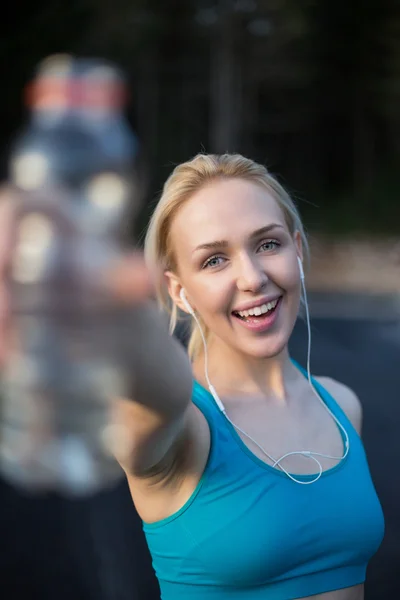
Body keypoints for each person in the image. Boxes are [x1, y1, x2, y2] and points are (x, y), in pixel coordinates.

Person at [0, 154, 384, 600]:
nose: (252, 278)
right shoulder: (185, 427)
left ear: (297, 250)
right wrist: (107, 307)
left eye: (267, 245)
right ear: (179, 292)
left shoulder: (342, 406)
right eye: (215, 260)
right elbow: (156, 381)